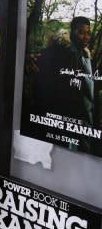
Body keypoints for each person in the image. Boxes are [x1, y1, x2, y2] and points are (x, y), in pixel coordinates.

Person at [32, 16, 96, 152]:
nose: (86, 37)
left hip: (84, 116)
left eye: (88, 33)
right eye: (81, 32)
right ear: (72, 32)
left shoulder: (86, 56)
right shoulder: (60, 51)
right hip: (64, 116)